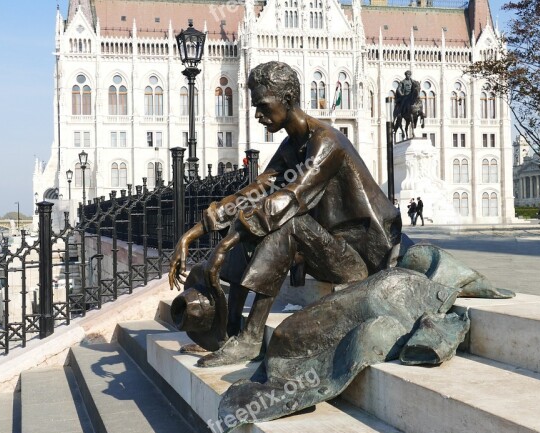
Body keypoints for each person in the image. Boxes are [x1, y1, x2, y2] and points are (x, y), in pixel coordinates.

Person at [169, 61, 402, 367]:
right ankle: (228, 329)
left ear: (289, 99)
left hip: (364, 259)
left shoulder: (327, 143)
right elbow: (255, 193)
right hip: (328, 250)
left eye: (264, 106)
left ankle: (251, 338)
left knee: (286, 222)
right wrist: (193, 234)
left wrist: (225, 246)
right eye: (255, 106)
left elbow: (291, 198)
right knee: (256, 217)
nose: (257, 115)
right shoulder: (292, 145)